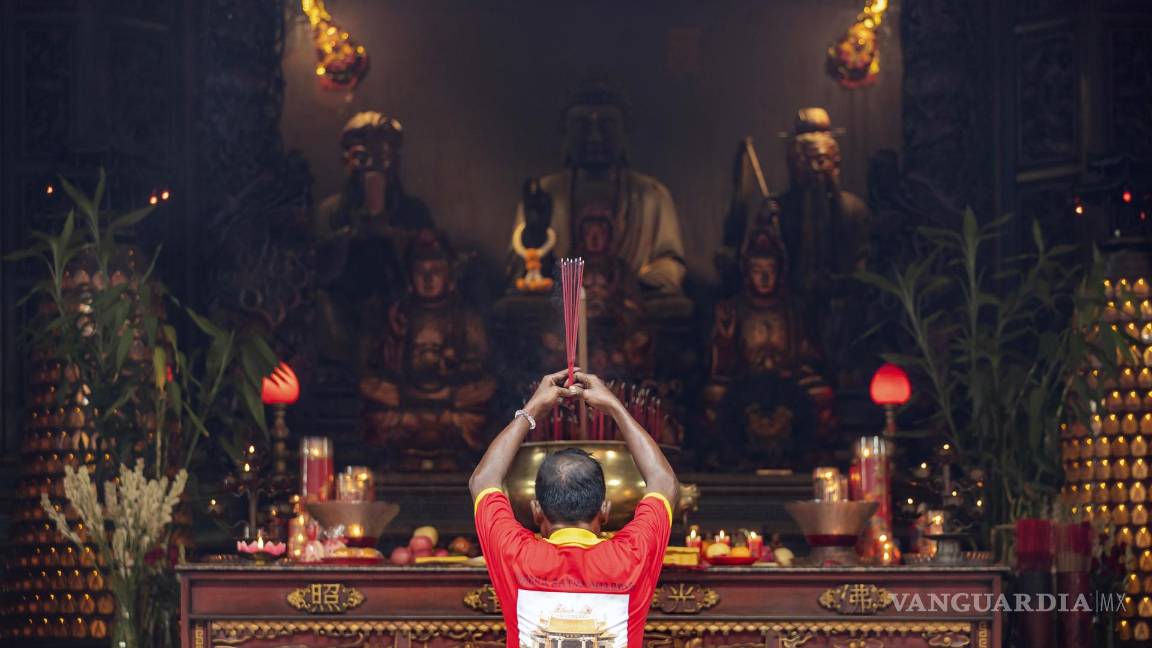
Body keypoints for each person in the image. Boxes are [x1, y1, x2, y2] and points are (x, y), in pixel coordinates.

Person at [469, 369, 678, 648]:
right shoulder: (631, 556)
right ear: (604, 510)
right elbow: (664, 482)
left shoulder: (515, 554)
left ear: (536, 510)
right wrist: (615, 408)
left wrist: (531, 410)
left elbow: (483, 480)